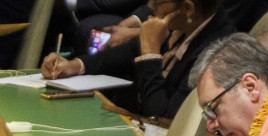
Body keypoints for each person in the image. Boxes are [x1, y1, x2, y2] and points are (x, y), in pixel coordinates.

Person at [41, 0, 236, 119]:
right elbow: (126, 53)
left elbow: (159, 117)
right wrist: (76, 65)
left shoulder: (215, 56)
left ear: (187, 8)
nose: (152, 9)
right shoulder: (187, 25)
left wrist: (150, 52)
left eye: (158, 3)